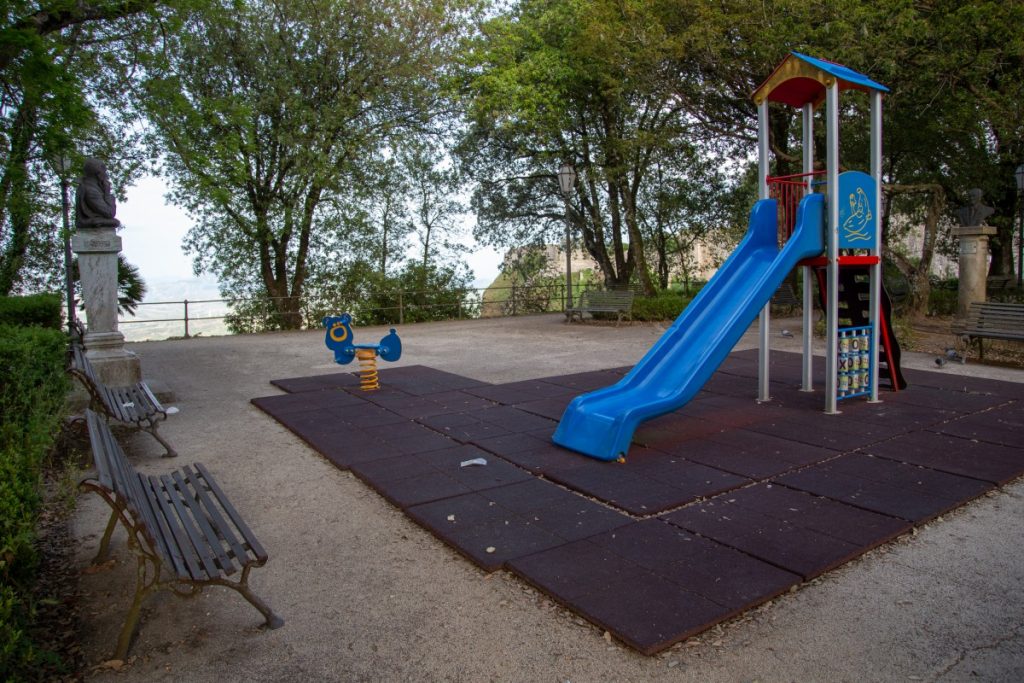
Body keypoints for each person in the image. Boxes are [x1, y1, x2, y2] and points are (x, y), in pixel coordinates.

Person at [75, 158, 121, 229]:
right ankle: (99, 222)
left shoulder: (89, 186)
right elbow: (109, 213)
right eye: (104, 171)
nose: (106, 174)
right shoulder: (91, 190)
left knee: (115, 222)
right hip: (90, 222)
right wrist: (107, 193)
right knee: (115, 222)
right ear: (98, 173)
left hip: (91, 221)